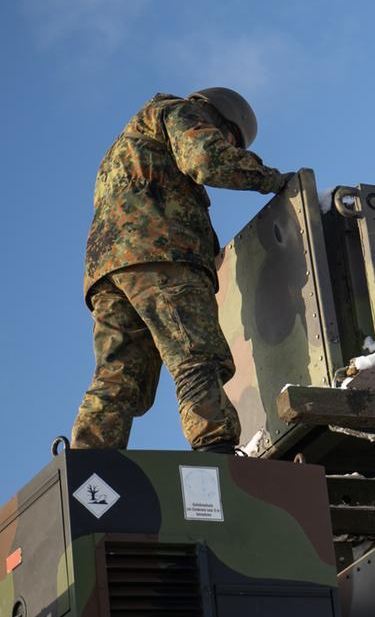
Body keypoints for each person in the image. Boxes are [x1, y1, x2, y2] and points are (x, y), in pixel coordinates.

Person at [71, 87, 293, 454]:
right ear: (218, 116)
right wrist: (271, 179)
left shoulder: (129, 141)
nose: (228, 145)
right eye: (230, 139)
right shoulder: (179, 112)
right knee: (195, 352)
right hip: (162, 255)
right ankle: (216, 448)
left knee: (119, 378)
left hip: (109, 271)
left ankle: (88, 465)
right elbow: (207, 159)